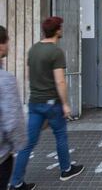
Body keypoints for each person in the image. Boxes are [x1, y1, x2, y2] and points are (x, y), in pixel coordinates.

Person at [9, 17, 84, 190]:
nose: (62, 30)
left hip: (35, 102)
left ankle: (16, 182)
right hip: (52, 104)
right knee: (60, 136)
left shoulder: (33, 49)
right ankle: (66, 169)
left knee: (28, 143)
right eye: (61, 28)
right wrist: (65, 104)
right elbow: (60, 82)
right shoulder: (55, 52)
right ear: (57, 30)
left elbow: (29, 76)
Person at [0, 26, 27, 190]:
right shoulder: (5, 80)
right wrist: (19, 146)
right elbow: (13, 122)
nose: (9, 44)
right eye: (7, 40)